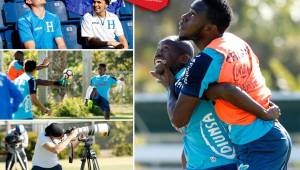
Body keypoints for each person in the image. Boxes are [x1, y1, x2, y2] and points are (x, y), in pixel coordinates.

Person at [161, 0, 291, 169]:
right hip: (272, 137)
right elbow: (244, 85)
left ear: (210, 28)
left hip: (258, 146)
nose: (184, 17)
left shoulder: (203, 63)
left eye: (192, 14)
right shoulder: (235, 42)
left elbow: (178, 120)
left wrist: (170, 84)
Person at [151, 36, 281, 170]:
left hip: (219, 163)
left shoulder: (184, 78)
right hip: (208, 163)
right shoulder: (177, 83)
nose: (158, 53)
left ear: (184, 59)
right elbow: (189, 135)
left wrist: (263, 112)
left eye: (165, 49)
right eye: (158, 49)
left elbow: (176, 119)